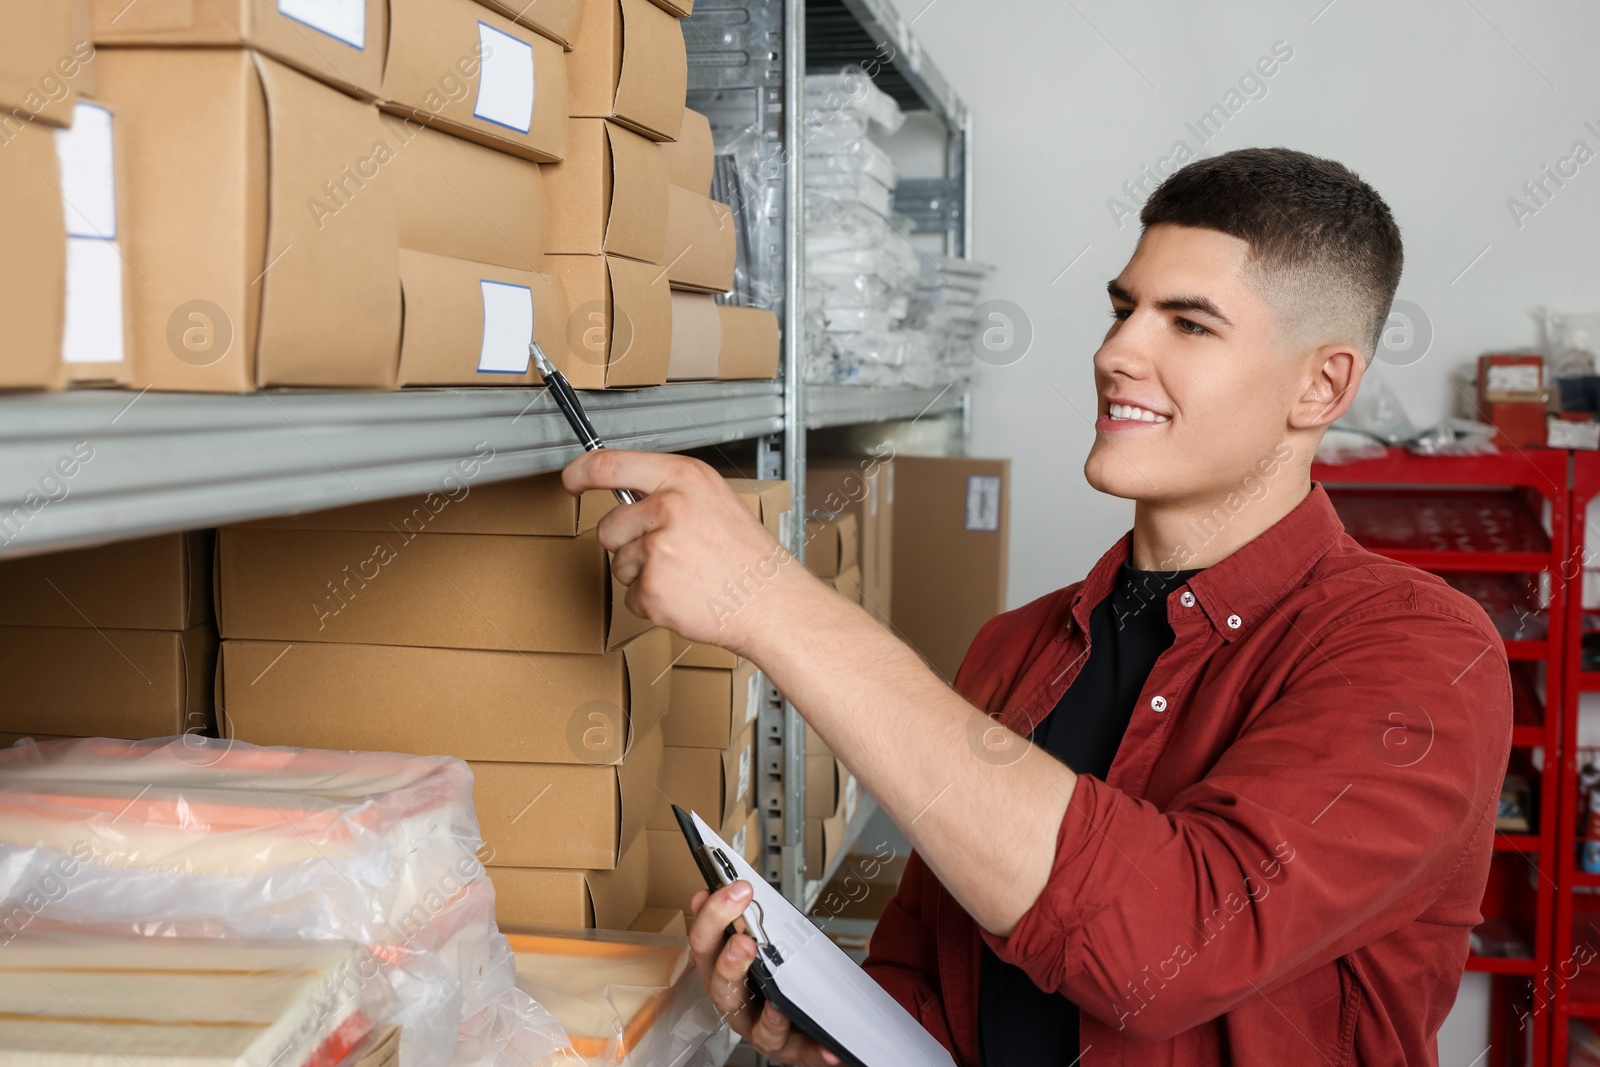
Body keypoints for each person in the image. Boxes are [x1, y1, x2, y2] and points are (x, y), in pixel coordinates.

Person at [562, 147, 1512, 1066]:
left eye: (1189, 324)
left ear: (1322, 384)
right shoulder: (1016, 648)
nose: (1115, 352)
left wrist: (766, 597)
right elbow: (930, 980)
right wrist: (820, 1025)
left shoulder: (1420, 655)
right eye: (1122, 308)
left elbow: (1168, 946)